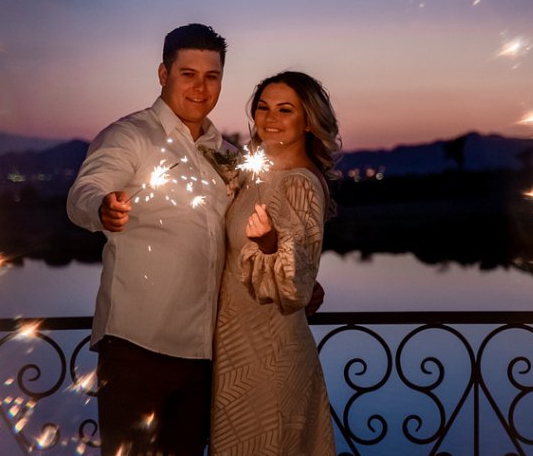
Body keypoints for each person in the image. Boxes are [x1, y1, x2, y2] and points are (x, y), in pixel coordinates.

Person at [66, 23, 235, 456]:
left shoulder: (229, 155)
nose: (200, 87)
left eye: (211, 76)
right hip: (137, 349)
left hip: (205, 354)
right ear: (163, 74)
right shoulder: (131, 136)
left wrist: (297, 281)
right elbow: (83, 193)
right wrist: (102, 206)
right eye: (188, 74)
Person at [210, 71, 340, 455]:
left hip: (269, 359)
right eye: (263, 108)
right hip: (235, 354)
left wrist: (269, 243)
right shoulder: (255, 176)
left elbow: (296, 282)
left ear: (308, 122)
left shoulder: (300, 184)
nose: (270, 118)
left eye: (285, 110)